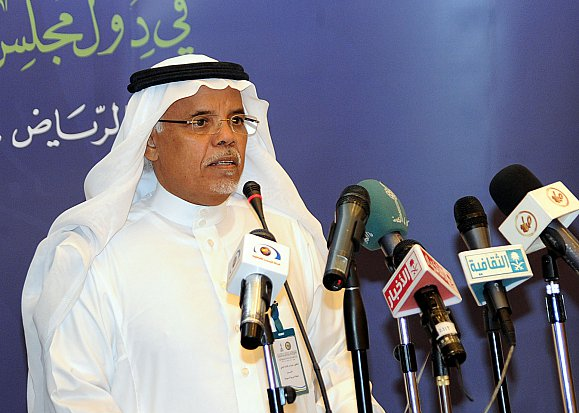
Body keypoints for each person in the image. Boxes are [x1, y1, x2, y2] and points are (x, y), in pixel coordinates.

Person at [22, 54, 386, 413]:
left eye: (237, 120)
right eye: (200, 122)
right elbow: (76, 395)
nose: (227, 137)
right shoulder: (98, 257)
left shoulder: (288, 236)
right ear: (151, 142)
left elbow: (338, 370)